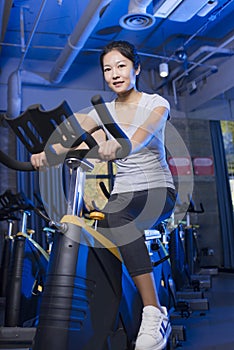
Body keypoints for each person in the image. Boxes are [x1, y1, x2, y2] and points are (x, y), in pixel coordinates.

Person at [31, 40, 176, 350]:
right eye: (108, 69)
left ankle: (154, 313)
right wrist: (47, 153)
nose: (114, 73)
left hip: (157, 190)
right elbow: (72, 138)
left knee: (115, 216)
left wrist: (124, 145)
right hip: (121, 197)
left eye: (121, 66)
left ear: (136, 68)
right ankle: (109, 325)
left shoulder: (155, 103)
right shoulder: (103, 112)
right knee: (94, 239)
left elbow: (144, 133)